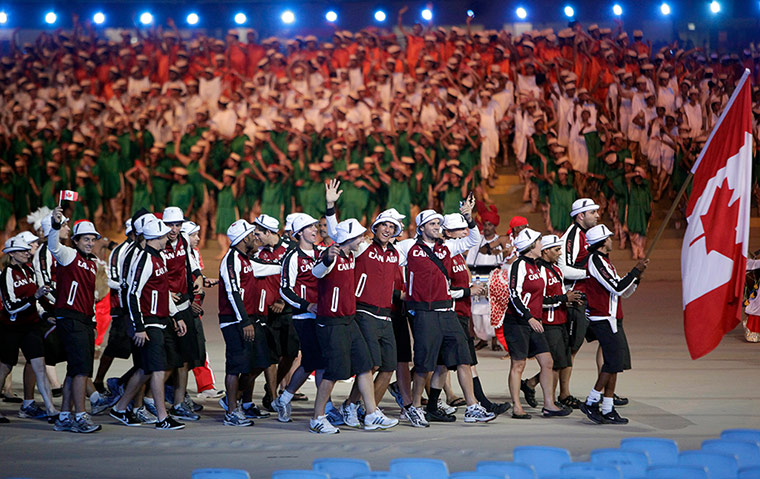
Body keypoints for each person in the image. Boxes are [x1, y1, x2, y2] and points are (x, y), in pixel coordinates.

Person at [398, 195, 495, 427]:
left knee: (462, 359)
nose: (437, 228)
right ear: (421, 228)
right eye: (432, 224)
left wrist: (469, 218)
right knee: (424, 364)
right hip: (424, 313)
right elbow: (389, 262)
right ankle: (416, 408)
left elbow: (474, 237)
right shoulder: (408, 247)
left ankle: (472, 407)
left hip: (448, 311)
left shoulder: (448, 246)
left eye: (439, 224)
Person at [324, 180, 403, 423]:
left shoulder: (396, 252)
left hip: (386, 316)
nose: (388, 230)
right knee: (369, 365)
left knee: (388, 368)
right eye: (384, 225)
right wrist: (330, 207)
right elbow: (338, 234)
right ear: (375, 228)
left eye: (392, 226)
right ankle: (358, 409)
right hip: (364, 313)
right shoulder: (363, 247)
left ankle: (361, 407)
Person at [110, 218, 187, 430]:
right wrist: (140, 327)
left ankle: (119, 408)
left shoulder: (158, 257)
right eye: (163, 236)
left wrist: (176, 315)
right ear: (155, 238)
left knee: (145, 369)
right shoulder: (145, 259)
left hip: (160, 320)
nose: (168, 238)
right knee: (158, 369)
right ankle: (163, 417)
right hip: (149, 322)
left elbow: (162, 292)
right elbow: (132, 294)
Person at [442, 213, 510, 416]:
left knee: (452, 362)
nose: (466, 232)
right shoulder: (445, 254)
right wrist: (467, 291)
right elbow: (443, 288)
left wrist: (472, 286)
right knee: (453, 361)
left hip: (461, 312)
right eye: (461, 229)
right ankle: (477, 404)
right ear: (448, 233)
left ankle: (478, 402)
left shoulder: (457, 254)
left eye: (466, 228)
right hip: (450, 314)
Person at [579, 224, 648, 425]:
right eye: (608, 237)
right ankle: (592, 401)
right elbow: (616, 287)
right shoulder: (595, 261)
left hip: (613, 318)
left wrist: (636, 278)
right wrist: (635, 271)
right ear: (602, 242)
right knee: (612, 363)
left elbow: (622, 290)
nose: (611, 240)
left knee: (615, 364)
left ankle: (608, 407)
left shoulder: (605, 261)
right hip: (603, 319)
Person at [217, 219, 281, 426]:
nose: (255, 237)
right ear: (244, 238)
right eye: (252, 235)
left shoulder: (246, 260)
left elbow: (272, 268)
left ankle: (235, 400)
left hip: (248, 319)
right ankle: (231, 411)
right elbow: (232, 292)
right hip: (234, 321)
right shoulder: (231, 260)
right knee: (236, 367)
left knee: (259, 362)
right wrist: (244, 321)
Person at [503, 228, 571, 419]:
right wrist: (528, 317)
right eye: (539, 242)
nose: (542, 245)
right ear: (531, 246)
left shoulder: (536, 265)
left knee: (547, 362)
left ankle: (549, 404)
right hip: (518, 322)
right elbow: (514, 295)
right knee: (519, 364)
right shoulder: (519, 265)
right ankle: (516, 406)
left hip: (534, 321)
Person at [48, 206, 102, 433]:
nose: (90, 243)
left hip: (84, 321)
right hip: (71, 320)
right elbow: (53, 246)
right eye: (85, 239)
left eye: (92, 239)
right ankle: (80, 415)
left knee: (74, 371)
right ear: (76, 240)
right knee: (81, 372)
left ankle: (64, 416)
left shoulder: (92, 262)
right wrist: (55, 225)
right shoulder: (69, 255)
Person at [520, 235, 582, 411]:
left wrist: (568, 301)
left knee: (562, 361)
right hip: (548, 323)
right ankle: (551, 402)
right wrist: (563, 298)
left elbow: (559, 295)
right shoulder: (539, 270)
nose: (560, 253)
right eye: (556, 250)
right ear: (545, 250)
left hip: (561, 320)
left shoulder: (556, 270)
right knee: (554, 365)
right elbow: (539, 300)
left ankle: (531, 384)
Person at [0, 236, 57, 423]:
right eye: (23, 250)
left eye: (27, 249)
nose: (27, 252)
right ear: (12, 254)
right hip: (11, 328)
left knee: (39, 366)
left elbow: (36, 303)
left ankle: (50, 408)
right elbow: (10, 306)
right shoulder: (7, 273)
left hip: (31, 327)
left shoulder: (29, 270)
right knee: (5, 367)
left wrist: (44, 315)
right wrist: (34, 296)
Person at [553, 198, 599, 410]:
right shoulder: (571, 237)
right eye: (593, 212)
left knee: (592, 342)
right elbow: (564, 270)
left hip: (586, 296)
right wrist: (593, 273)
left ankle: (605, 387)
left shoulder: (584, 235)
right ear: (581, 215)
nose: (597, 216)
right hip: (575, 298)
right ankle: (564, 394)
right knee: (571, 349)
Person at [161, 206, 204, 421]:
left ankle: (178, 403)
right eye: (170, 225)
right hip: (164, 308)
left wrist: (198, 279)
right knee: (166, 361)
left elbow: (191, 264)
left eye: (178, 225)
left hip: (183, 305)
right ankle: (149, 401)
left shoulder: (184, 241)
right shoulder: (158, 243)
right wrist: (166, 292)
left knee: (185, 358)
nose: (174, 229)